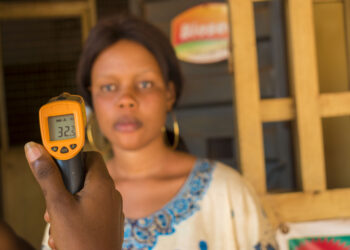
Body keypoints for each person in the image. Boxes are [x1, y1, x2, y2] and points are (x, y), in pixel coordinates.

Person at [42, 14, 277, 250]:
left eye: (144, 84)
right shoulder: (73, 200)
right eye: (109, 87)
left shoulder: (227, 194)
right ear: (91, 99)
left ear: (169, 94)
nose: (126, 100)